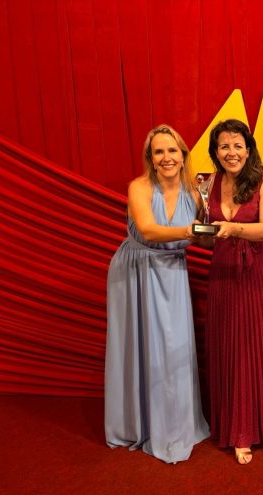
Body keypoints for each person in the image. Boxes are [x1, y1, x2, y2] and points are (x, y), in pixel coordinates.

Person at [105, 124, 209, 464]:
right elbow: (148, 230)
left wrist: (218, 234)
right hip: (136, 269)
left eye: (172, 150)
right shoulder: (139, 187)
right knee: (137, 347)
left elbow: (200, 239)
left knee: (172, 348)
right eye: (158, 152)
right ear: (150, 158)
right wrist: (190, 231)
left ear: (183, 155)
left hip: (173, 272)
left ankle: (174, 424)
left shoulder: (196, 194)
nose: (166, 157)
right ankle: (138, 424)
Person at [204, 119, 263, 464]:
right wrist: (198, 233)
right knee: (231, 349)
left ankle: (256, 428)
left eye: (237, 145)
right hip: (223, 274)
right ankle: (234, 424)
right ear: (215, 152)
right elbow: (208, 231)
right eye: (224, 146)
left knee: (257, 348)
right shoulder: (210, 183)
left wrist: (232, 228)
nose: (231, 152)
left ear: (248, 149)